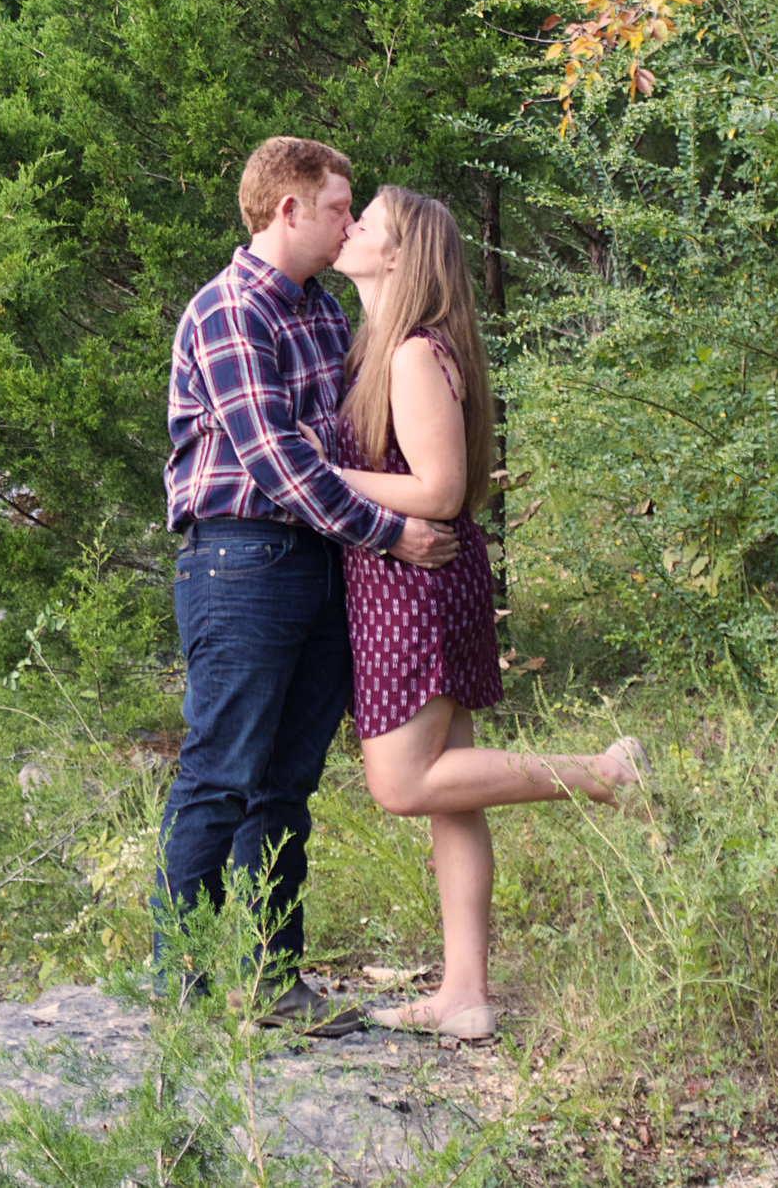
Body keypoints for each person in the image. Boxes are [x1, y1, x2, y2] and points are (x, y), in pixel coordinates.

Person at [310, 184, 647, 1043]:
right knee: (451, 793)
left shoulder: (415, 355)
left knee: (402, 782)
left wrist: (319, 479)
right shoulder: (383, 345)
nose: (350, 229)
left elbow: (442, 490)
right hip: (409, 583)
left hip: (414, 586)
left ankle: (602, 774)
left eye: (368, 222)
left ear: (398, 254)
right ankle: (465, 992)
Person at [158, 137, 459, 1036]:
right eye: (338, 206)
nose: (348, 221)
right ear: (287, 210)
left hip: (323, 566)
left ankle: (272, 979)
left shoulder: (326, 314)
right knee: (220, 773)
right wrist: (396, 532)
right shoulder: (227, 312)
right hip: (242, 561)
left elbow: (347, 444)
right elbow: (281, 462)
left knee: (285, 785)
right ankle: (186, 985)